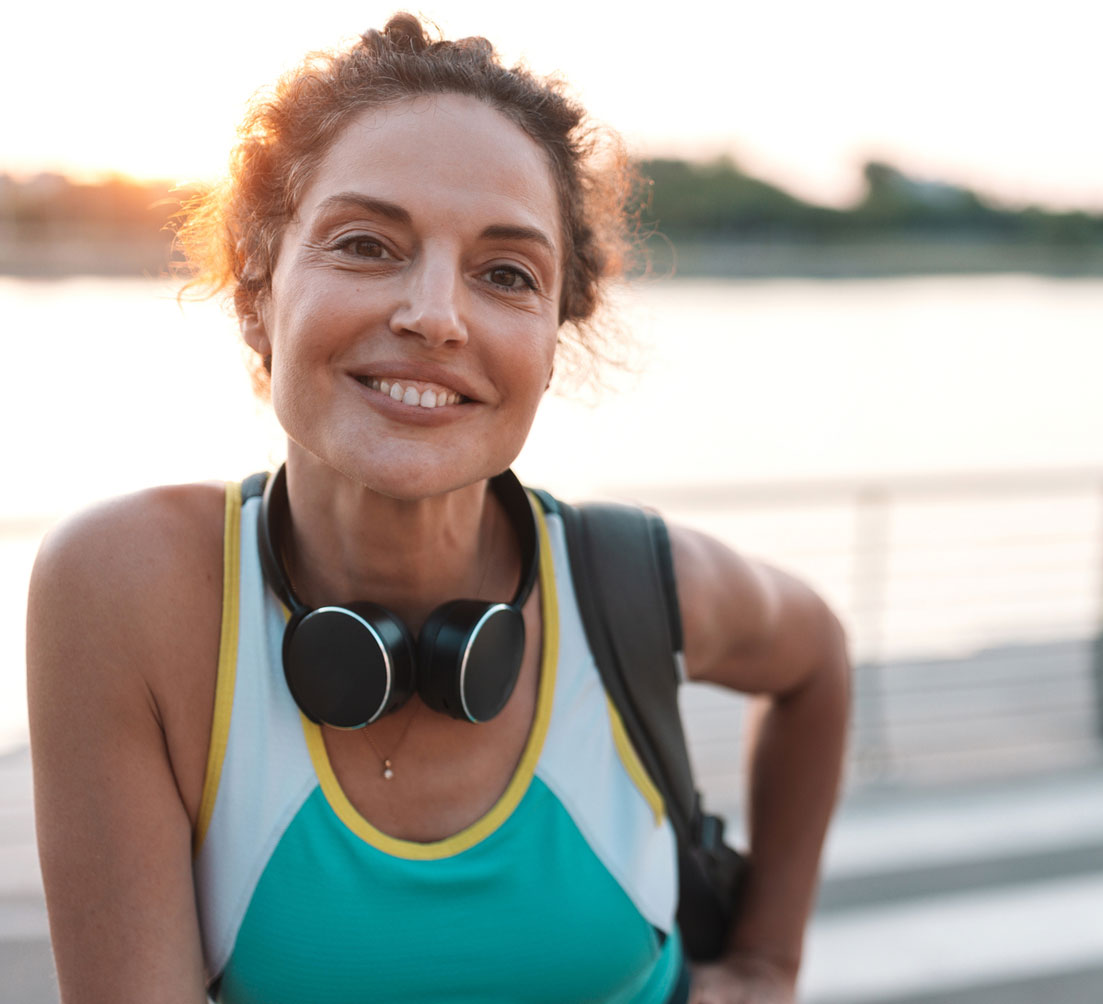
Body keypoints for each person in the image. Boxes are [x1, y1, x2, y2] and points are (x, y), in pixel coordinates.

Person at [24, 14, 850, 1003]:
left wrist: (767, 963)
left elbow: (816, 659)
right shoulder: (128, 589)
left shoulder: (631, 586)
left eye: (505, 273)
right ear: (257, 290)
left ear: (551, 337)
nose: (435, 314)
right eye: (367, 244)